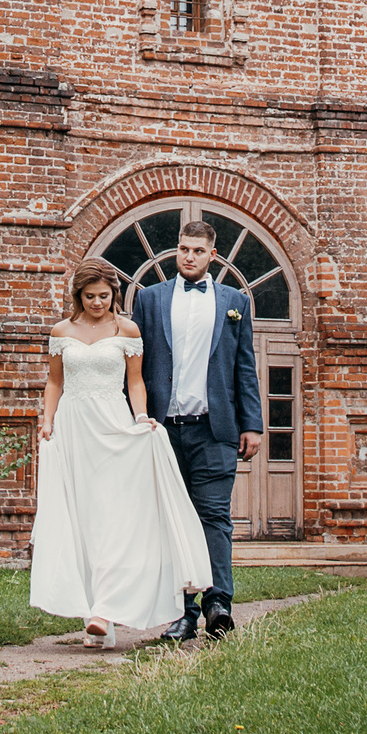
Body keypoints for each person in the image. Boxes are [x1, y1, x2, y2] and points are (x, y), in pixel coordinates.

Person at [28, 255, 213, 644]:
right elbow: (54, 382)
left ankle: (106, 608)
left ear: (114, 293)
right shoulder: (62, 331)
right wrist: (47, 421)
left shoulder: (126, 330)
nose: (98, 303)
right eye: (90, 296)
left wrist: (141, 417)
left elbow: (135, 382)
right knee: (82, 519)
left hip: (113, 426)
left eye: (104, 295)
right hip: (74, 429)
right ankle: (97, 620)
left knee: (114, 519)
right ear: (79, 296)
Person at [132, 219, 264, 641]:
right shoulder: (149, 299)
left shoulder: (235, 302)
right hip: (162, 430)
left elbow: (245, 368)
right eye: (183, 249)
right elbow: (133, 367)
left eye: (198, 251)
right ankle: (183, 613)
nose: (189, 257)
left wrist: (253, 425)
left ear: (213, 255)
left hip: (215, 429)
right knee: (172, 520)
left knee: (214, 517)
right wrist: (131, 420)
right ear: (177, 249)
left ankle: (218, 604)